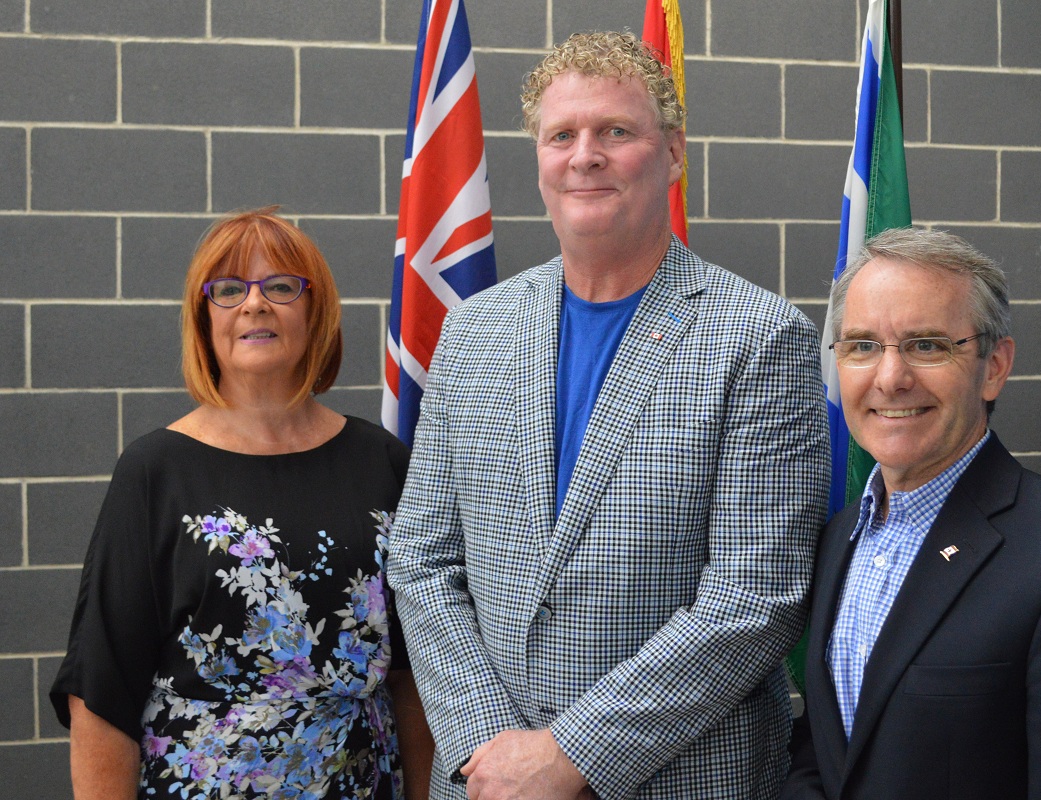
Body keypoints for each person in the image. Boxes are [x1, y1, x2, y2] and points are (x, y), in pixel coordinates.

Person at [388, 31, 830, 800]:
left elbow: (756, 596)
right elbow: (423, 558)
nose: (584, 156)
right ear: (539, 158)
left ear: (674, 154)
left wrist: (570, 757)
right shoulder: (473, 330)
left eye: (615, 132)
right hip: (488, 780)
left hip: (679, 781)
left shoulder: (760, 338)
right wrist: (490, 746)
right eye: (562, 135)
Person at [782, 227, 1041, 799]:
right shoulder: (840, 537)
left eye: (927, 345)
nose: (890, 379)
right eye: (862, 345)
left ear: (994, 366)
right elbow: (824, 753)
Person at [51, 207, 435, 799]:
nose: (254, 304)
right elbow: (102, 688)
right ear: (204, 318)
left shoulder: (380, 460)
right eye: (229, 290)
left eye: (281, 286)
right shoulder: (154, 471)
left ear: (316, 311)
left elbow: (415, 673)